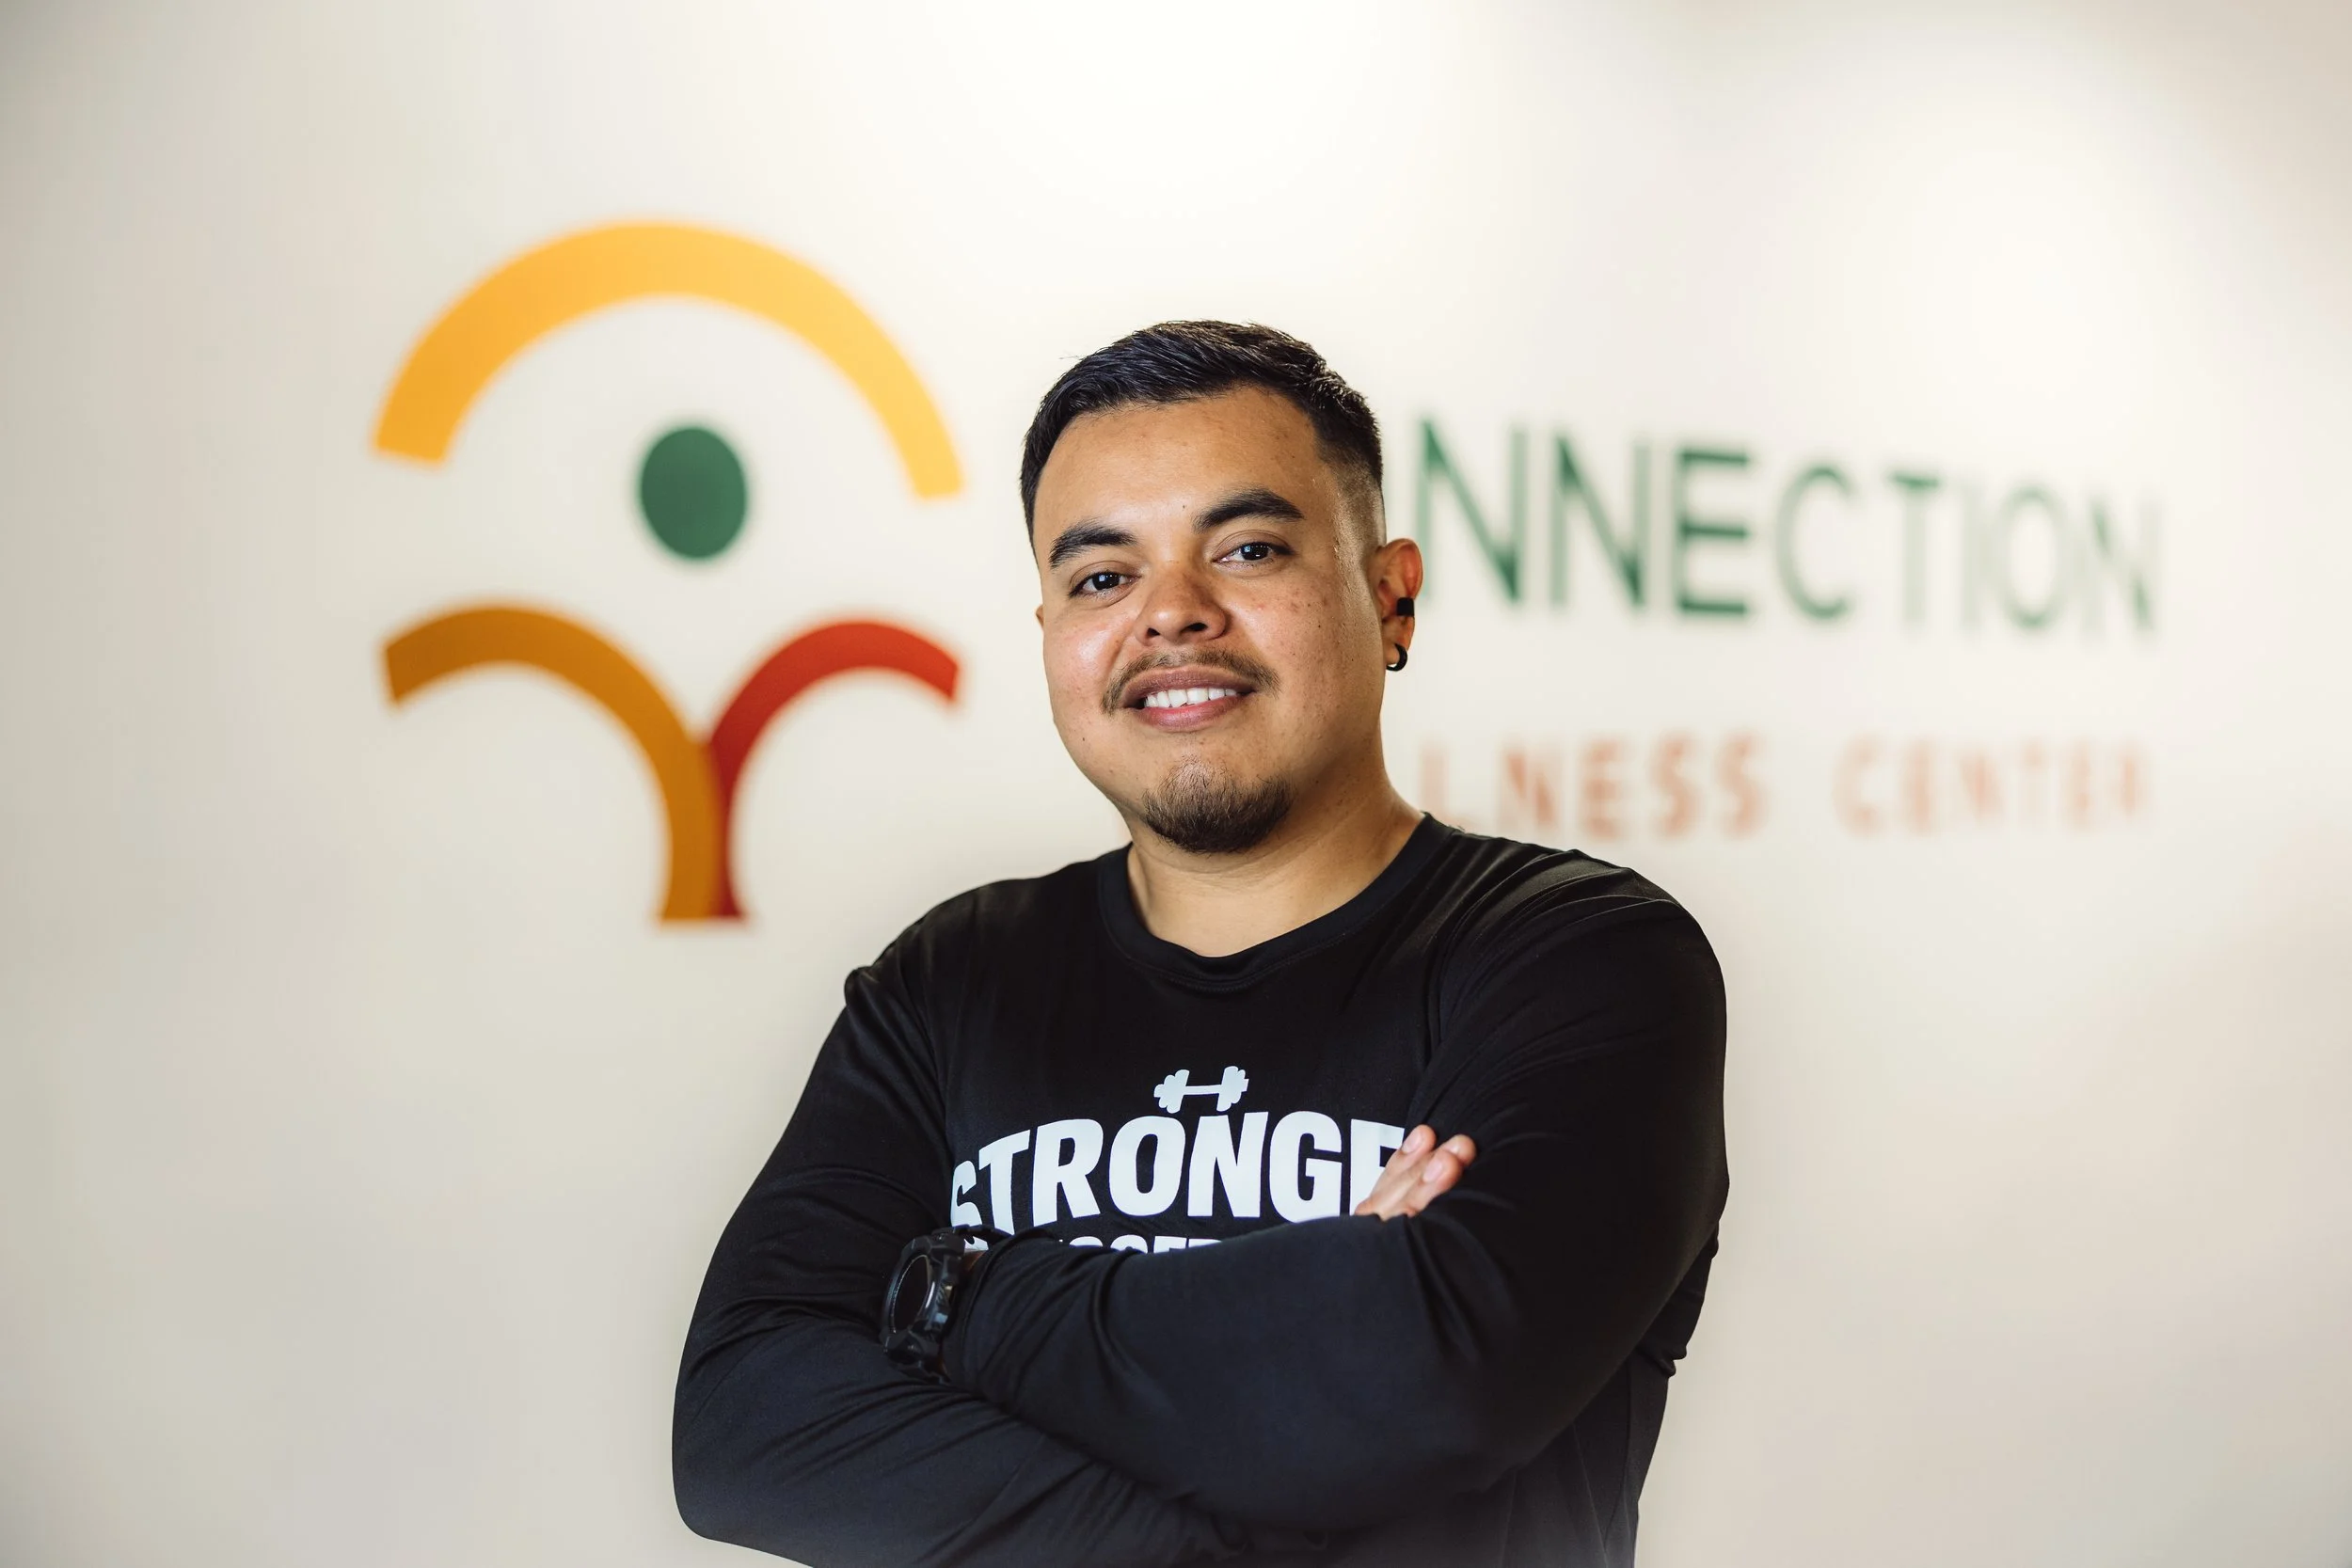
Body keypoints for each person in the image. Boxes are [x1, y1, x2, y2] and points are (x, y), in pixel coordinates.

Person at [673, 323, 1728, 1567]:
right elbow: (743, 1425)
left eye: (1247, 548)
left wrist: (953, 1295)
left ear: (1390, 595)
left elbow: (1427, 1383)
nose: (1173, 613)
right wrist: (1306, 1388)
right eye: (1101, 577)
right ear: (1052, 628)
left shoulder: (1578, 960)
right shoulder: (952, 983)